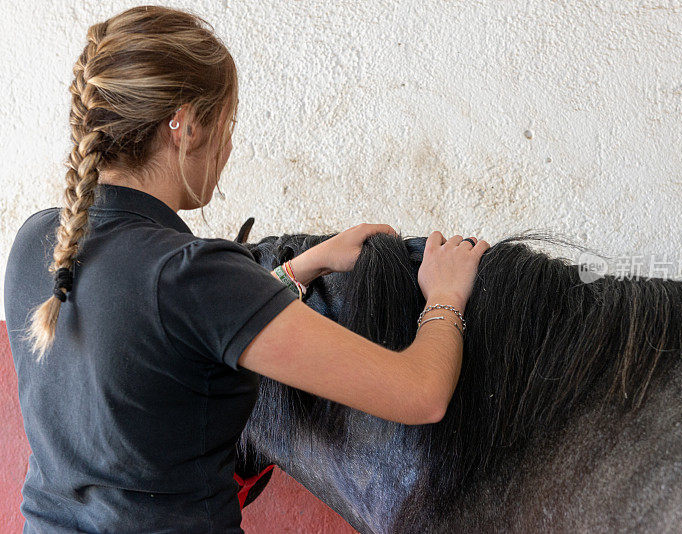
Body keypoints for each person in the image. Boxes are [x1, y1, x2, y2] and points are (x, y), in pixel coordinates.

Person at [2, 6, 490, 533]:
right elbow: (420, 394)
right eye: (227, 123)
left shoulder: (37, 242)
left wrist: (307, 266)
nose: (228, 146)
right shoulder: (190, 273)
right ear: (184, 126)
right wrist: (445, 296)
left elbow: (173, 342)